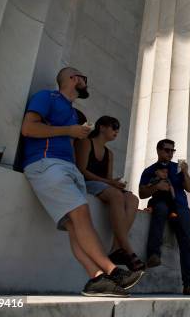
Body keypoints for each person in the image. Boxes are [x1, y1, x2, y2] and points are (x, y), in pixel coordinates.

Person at [21, 67, 143, 297]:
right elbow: (28, 128)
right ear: (73, 78)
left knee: (74, 226)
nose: (87, 84)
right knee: (81, 215)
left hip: (65, 169)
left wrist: (76, 132)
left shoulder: (71, 111)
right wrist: (70, 130)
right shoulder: (47, 97)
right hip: (47, 163)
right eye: (84, 79)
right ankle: (112, 270)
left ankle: (95, 279)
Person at [75, 116, 144, 271]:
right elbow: (81, 170)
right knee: (116, 194)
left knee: (132, 198)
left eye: (118, 128)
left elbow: (107, 179)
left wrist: (114, 182)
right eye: (114, 126)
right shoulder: (86, 143)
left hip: (101, 185)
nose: (116, 131)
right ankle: (128, 250)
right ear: (102, 127)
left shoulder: (109, 153)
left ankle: (115, 249)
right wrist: (111, 183)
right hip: (85, 182)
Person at [139, 139, 190, 296]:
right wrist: (156, 186)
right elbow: (141, 193)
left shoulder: (177, 168)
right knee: (159, 210)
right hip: (160, 203)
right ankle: (154, 254)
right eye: (167, 150)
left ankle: (189, 284)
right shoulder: (149, 170)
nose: (170, 153)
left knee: (186, 242)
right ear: (159, 151)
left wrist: (185, 172)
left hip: (180, 206)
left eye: (172, 151)